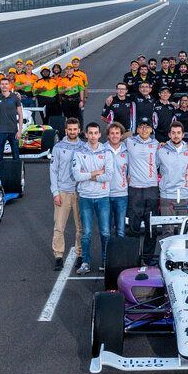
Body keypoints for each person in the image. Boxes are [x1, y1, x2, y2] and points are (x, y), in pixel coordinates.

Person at [73, 123, 112, 275]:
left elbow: (109, 175)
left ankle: (105, 261)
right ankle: (85, 262)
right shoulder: (79, 152)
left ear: (99, 135)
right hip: (85, 197)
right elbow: (77, 176)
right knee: (87, 232)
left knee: (105, 232)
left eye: (96, 133)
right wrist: (96, 173)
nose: (93, 136)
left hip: (102, 197)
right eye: (90, 133)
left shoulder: (107, 151)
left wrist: (88, 175)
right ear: (86, 134)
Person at [48, 117, 84, 270]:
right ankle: (58, 256)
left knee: (81, 227)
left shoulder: (84, 147)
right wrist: (55, 192)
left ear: (79, 130)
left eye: (75, 129)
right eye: (70, 129)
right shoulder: (58, 147)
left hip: (80, 192)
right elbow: (53, 170)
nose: (72, 132)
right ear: (65, 130)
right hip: (63, 192)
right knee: (59, 226)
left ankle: (80, 255)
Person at [124, 119, 161, 259]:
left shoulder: (157, 144)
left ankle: (148, 257)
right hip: (134, 189)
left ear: (151, 130)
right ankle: (132, 257)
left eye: (147, 127)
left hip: (151, 189)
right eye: (141, 126)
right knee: (134, 226)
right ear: (137, 129)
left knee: (151, 227)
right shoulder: (129, 142)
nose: (144, 129)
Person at [156, 121, 188, 213]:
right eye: (173, 133)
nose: (176, 135)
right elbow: (151, 167)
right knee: (167, 227)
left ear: (183, 135)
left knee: (185, 226)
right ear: (169, 135)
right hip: (167, 195)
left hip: (185, 195)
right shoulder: (161, 150)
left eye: (179, 133)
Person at [0, 77, 24, 165]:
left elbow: (20, 115)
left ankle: (17, 176)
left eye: (6, 84)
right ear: (0, 86)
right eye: (2, 84)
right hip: (1, 131)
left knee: (16, 157)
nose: (4, 86)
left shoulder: (15, 97)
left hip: (13, 131)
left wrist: (20, 131)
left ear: (9, 85)